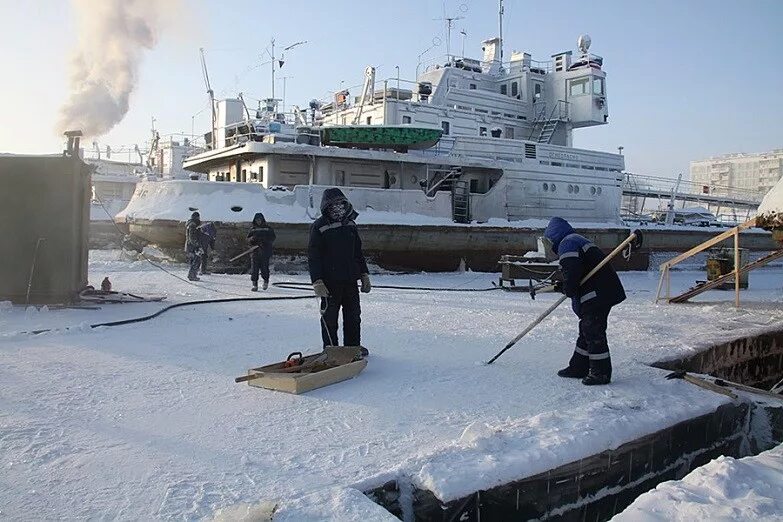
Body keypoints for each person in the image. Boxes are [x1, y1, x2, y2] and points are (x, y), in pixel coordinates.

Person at [543, 217, 626, 385]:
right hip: (601, 292)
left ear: (553, 237)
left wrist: (569, 287)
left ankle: (600, 373)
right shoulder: (575, 239)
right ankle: (579, 367)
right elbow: (581, 270)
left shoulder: (566, 243)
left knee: (593, 332)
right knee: (587, 329)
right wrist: (566, 285)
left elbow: (572, 270)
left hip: (597, 294)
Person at [308, 188, 371, 349]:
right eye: (334, 205)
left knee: (353, 317)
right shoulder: (319, 226)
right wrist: (317, 281)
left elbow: (357, 252)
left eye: (340, 204)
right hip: (330, 283)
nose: (338, 207)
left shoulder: (350, 224)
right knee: (329, 318)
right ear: (326, 206)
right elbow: (314, 256)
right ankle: (331, 349)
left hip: (350, 281)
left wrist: (364, 274)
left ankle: (352, 348)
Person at [246, 212, 276, 291]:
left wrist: (265, 240)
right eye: (257, 220)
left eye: (259, 220)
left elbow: (273, 238)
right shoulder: (252, 229)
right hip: (255, 252)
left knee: (264, 268)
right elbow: (248, 239)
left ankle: (265, 281)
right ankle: (254, 285)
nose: (258, 221)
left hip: (265, 252)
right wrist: (252, 239)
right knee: (254, 269)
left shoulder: (268, 228)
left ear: (262, 220)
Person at [185, 211, 203, 281]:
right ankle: (192, 276)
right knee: (196, 260)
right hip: (193, 246)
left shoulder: (192, 224)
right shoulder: (192, 225)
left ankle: (192, 275)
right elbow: (192, 237)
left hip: (191, 246)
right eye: (198, 217)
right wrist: (197, 245)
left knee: (193, 261)